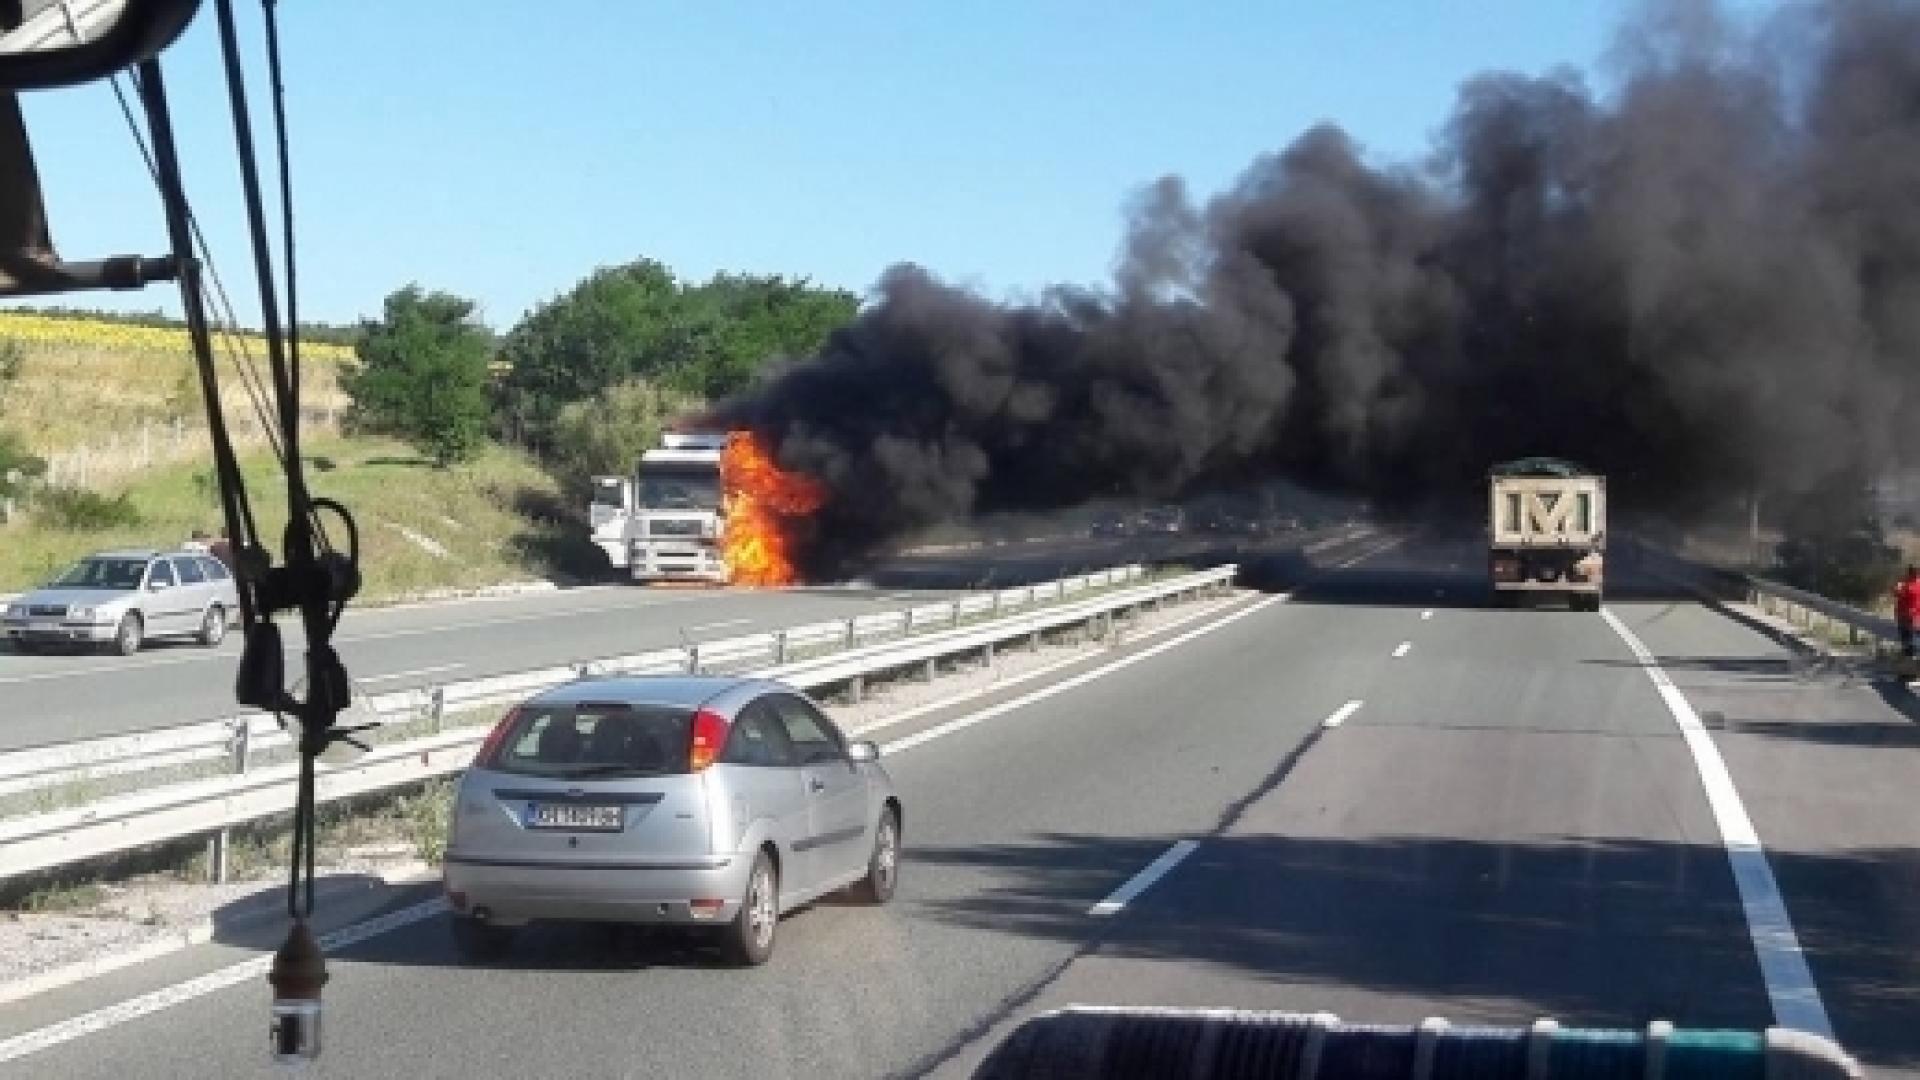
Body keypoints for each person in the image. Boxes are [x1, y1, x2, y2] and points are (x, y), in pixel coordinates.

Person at [1894, 567, 1920, 659]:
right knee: (1913, 641)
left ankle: (1910, 664)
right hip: (1915, 616)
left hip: (1907, 617)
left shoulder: (1907, 586)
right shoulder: (1913, 584)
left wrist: (1899, 584)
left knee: (1908, 642)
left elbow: (1897, 593)